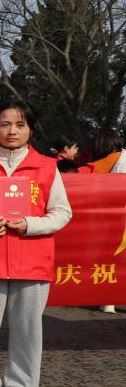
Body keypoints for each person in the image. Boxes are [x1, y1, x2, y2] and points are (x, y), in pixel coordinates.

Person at [0, 100, 71, 387]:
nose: (12, 131)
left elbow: (62, 212)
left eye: (20, 125)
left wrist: (30, 225)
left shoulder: (47, 167)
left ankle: (22, 386)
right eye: (5, 124)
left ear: (31, 130)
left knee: (28, 327)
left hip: (32, 258)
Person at [85, 128, 124, 312]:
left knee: (108, 261)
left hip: (105, 221)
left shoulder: (96, 166)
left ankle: (107, 300)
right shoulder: (120, 159)